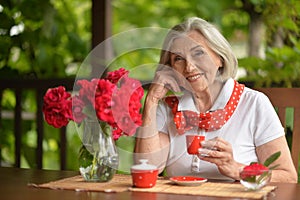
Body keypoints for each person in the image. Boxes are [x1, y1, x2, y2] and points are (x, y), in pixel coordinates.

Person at [134, 17, 298, 182]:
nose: (189, 67)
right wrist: (151, 101)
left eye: (198, 53)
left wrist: (238, 170)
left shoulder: (254, 103)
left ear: (219, 58)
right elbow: (148, 167)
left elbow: (287, 177)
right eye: (178, 59)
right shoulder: (167, 108)